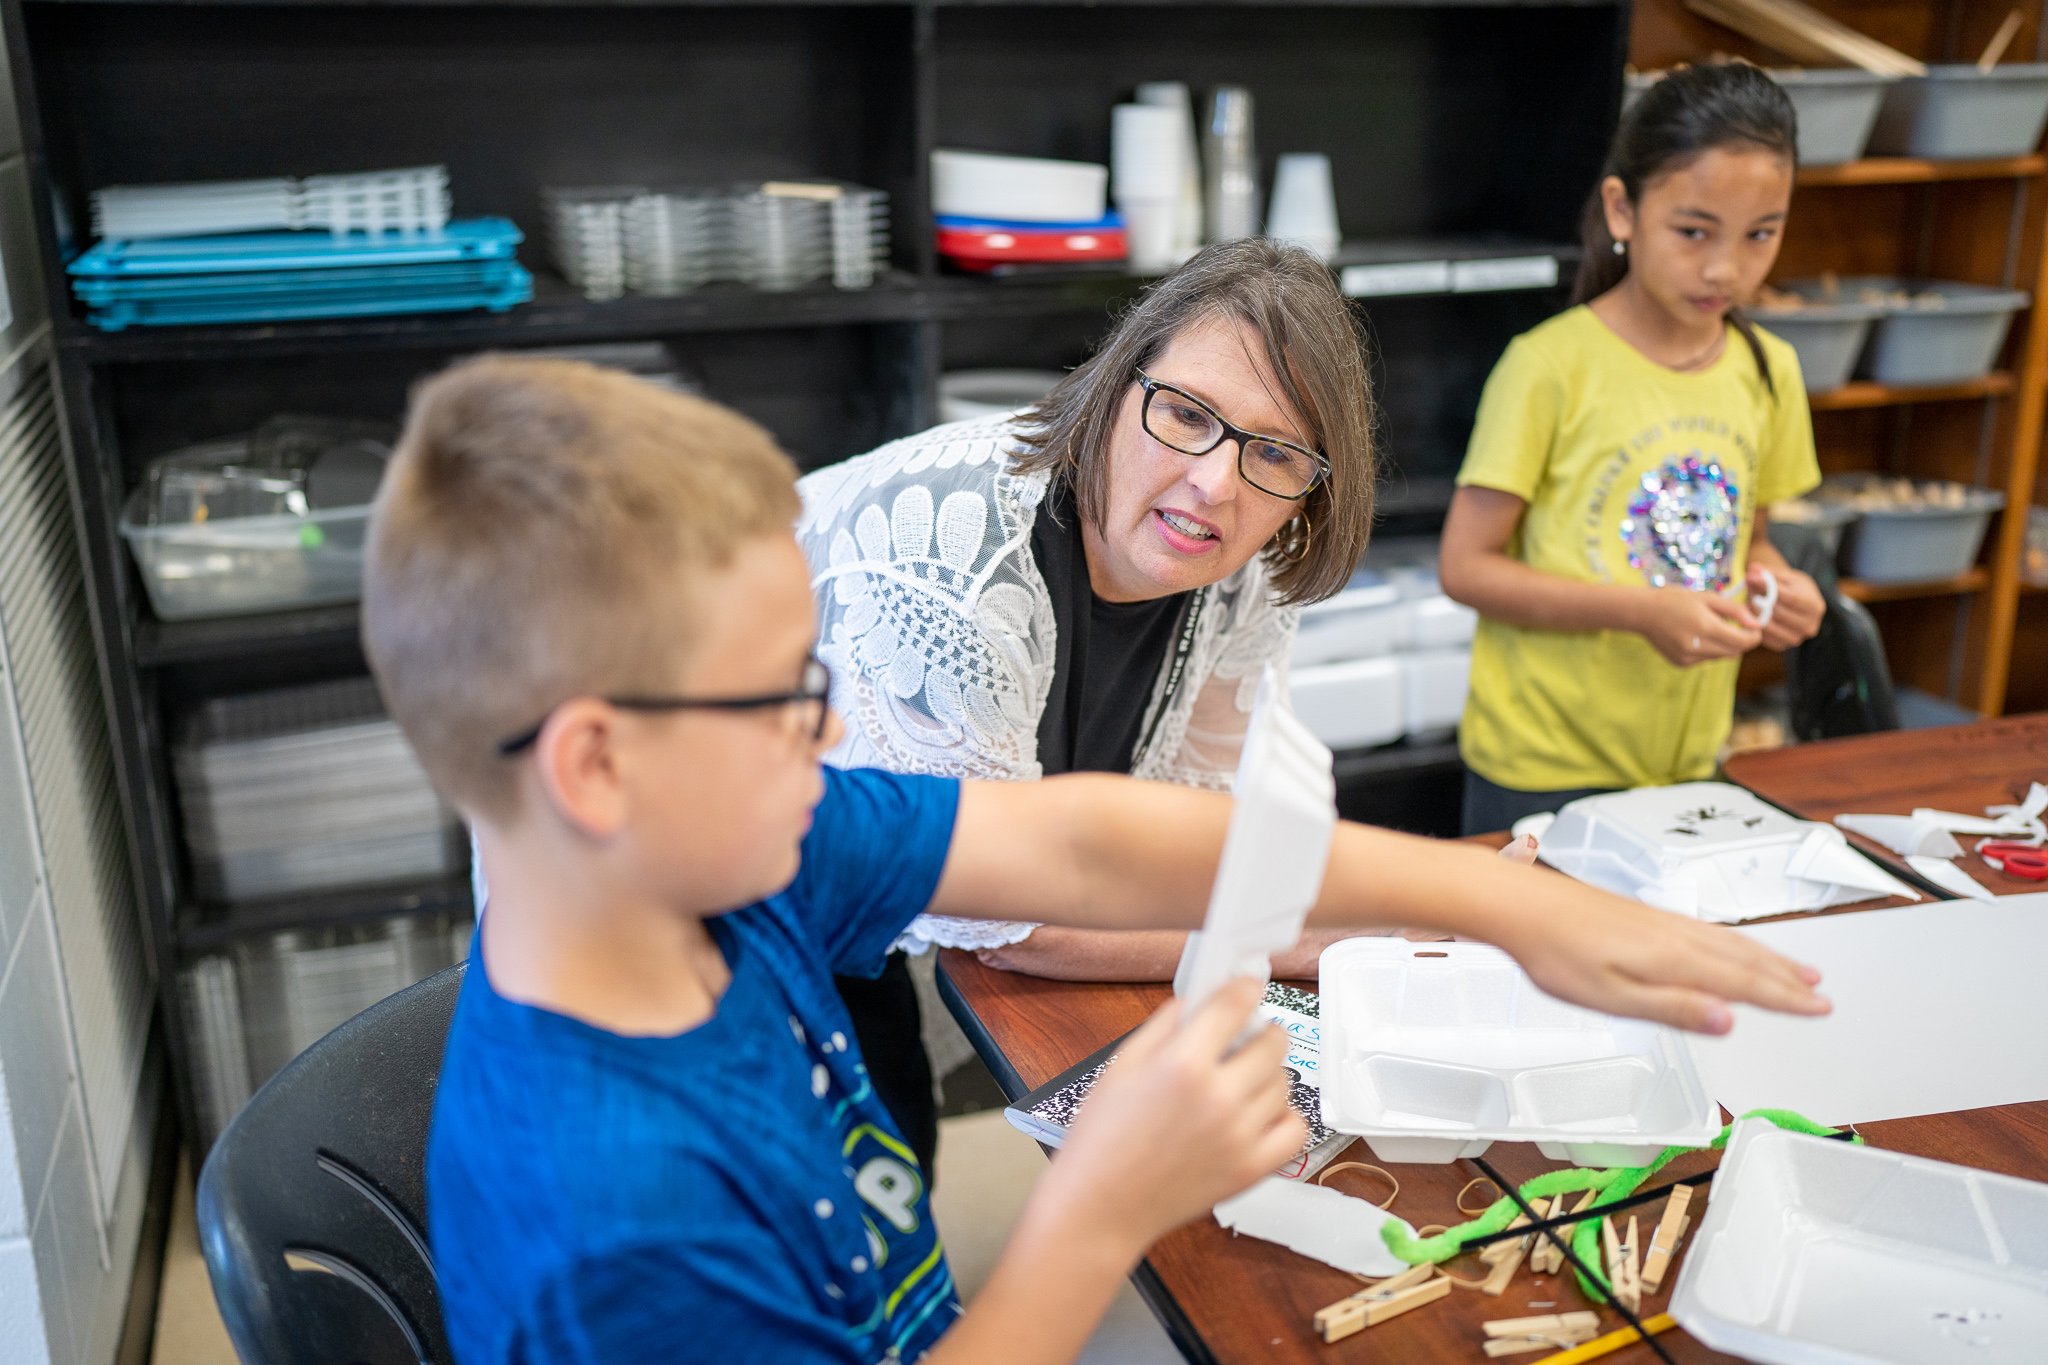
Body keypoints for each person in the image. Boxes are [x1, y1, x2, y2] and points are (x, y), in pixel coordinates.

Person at [370, 356, 1830, 1365]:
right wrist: (1098, 1209)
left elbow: (1074, 835)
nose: (828, 740)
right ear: (595, 763)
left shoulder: (741, 863)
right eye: (786, 700)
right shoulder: (615, 1219)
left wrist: (1493, 898)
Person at [799, 239, 1409, 1168]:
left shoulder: (1248, 571)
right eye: (1187, 414)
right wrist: (1312, 935)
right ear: (1120, 381)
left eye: (1277, 453)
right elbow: (998, 915)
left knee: (887, 1164)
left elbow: (1202, 824)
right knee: (825, 1188)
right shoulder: (956, 551)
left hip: (856, 873)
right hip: (679, 854)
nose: (1214, 483)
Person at [1439, 63, 1828, 837]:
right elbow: (1466, 566)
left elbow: (1751, 545)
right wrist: (1640, 611)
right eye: (1694, 231)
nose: (1726, 267)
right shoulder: (1548, 366)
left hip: (1687, 766)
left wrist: (1776, 589)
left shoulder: (1768, 368)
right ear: (1623, 207)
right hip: (1542, 769)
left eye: (1761, 234)